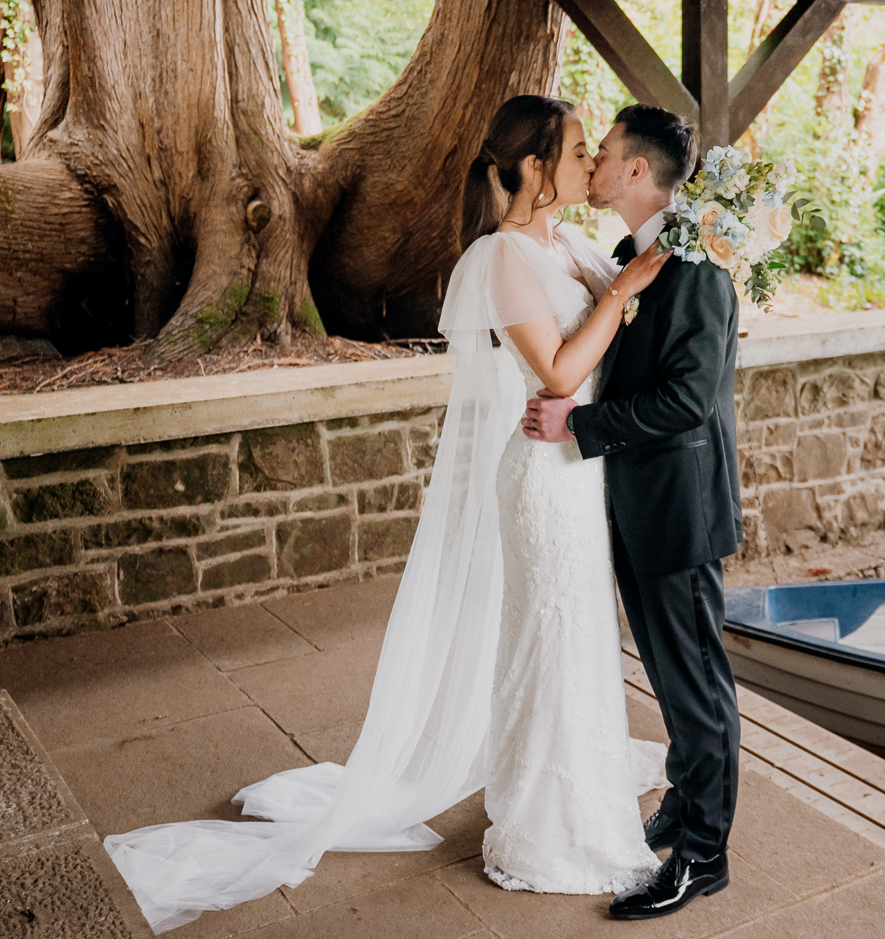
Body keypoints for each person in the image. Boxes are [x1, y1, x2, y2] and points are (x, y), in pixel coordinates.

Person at [102, 95, 671, 931]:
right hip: (541, 475)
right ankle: (544, 827)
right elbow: (555, 372)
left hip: (577, 468)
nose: (591, 164)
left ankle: (577, 780)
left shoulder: (568, 243)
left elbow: (620, 327)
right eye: (580, 150)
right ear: (533, 168)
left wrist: (647, 266)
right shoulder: (502, 257)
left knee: (578, 633)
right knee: (546, 636)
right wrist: (621, 290)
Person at [522, 103, 743, 922]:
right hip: (637, 505)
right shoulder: (635, 256)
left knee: (696, 687)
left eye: (604, 152)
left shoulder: (698, 270)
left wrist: (580, 426)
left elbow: (689, 401)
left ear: (638, 173)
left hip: (679, 511)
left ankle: (703, 857)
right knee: (669, 677)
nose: (595, 162)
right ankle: (685, 809)